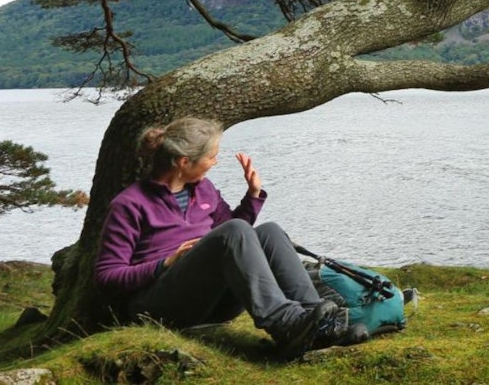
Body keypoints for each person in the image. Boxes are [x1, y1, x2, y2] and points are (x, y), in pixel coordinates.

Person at [94, 118, 358, 359]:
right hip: (159, 306)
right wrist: (166, 263)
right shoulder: (129, 204)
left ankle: (319, 323)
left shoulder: (204, 189)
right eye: (211, 157)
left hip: (211, 300)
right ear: (184, 161)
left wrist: (253, 196)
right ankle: (286, 325)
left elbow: (236, 237)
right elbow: (107, 277)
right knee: (236, 231)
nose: (214, 162)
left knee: (270, 231)